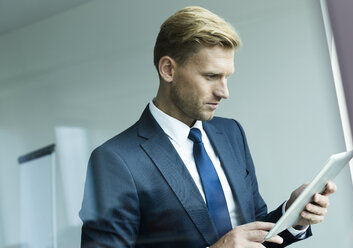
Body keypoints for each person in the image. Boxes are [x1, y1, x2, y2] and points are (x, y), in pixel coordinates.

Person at [79, 6, 336, 248]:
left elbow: (253, 230)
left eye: (227, 77)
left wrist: (293, 215)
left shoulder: (232, 134)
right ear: (168, 69)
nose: (224, 92)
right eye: (211, 76)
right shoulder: (115, 160)